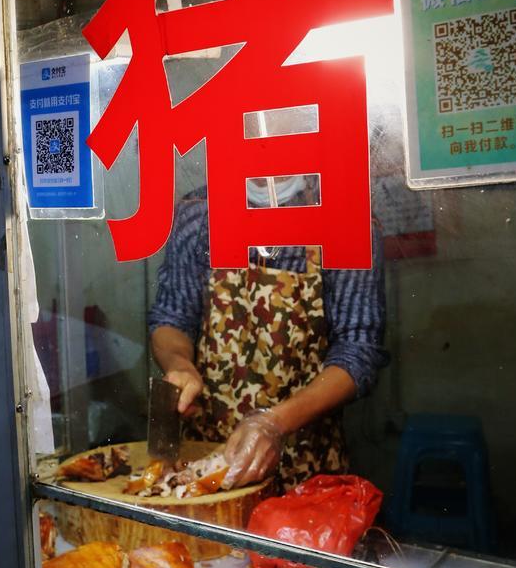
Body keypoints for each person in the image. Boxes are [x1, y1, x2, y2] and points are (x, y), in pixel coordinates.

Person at [148, 176, 387, 491]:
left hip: (305, 467)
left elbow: (358, 350)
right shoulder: (197, 212)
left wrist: (275, 423)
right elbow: (172, 317)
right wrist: (179, 364)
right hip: (205, 465)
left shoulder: (343, 215)